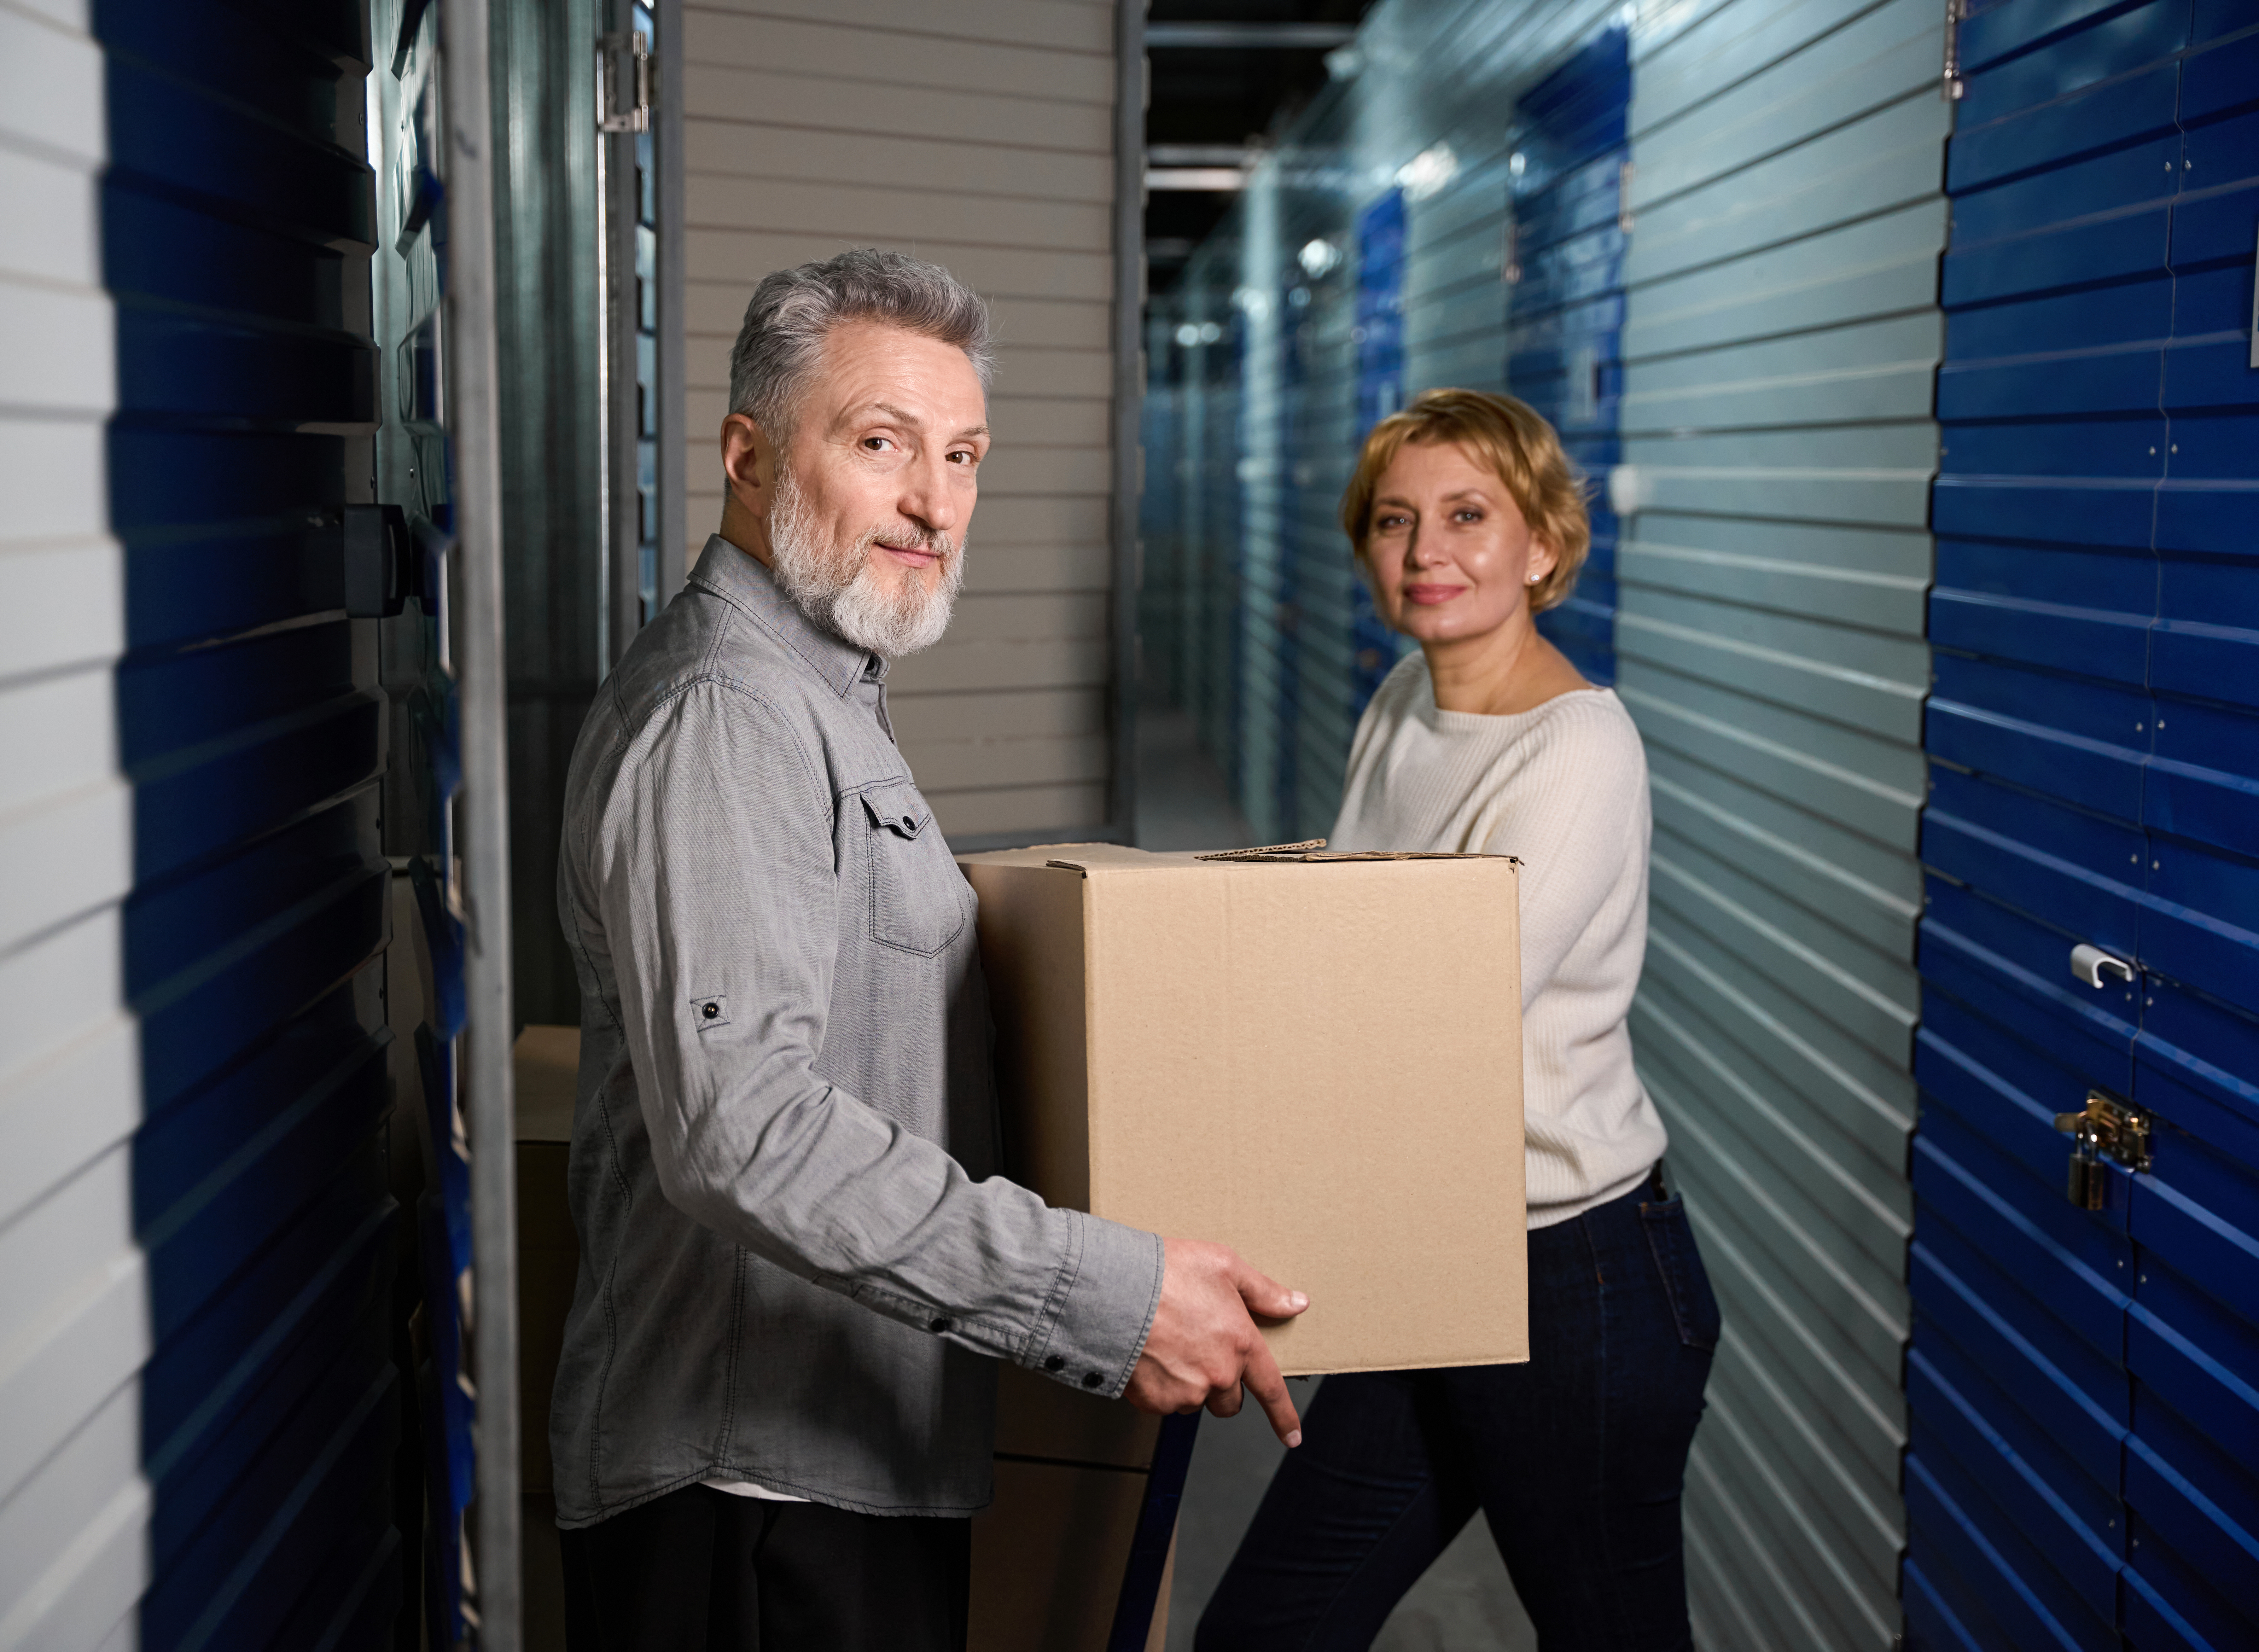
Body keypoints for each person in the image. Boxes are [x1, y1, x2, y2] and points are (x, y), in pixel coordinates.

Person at [551, 248, 1309, 1651]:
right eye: (882, 443)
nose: (934, 503)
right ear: (747, 452)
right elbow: (745, 1129)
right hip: (751, 1501)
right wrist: (1107, 1291)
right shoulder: (731, 717)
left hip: (843, 1470)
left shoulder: (825, 699)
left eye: (964, 455)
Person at [1197, 389, 1720, 1651]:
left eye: (1468, 515)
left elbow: (1430, 1018)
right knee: (1266, 1630)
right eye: (1394, 520)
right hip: (1436, 1251)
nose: (1426, 551)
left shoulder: (1578, 752)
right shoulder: (1401, 704)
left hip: (1572, 1274)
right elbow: (1344, 934)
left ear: (1543, 544)